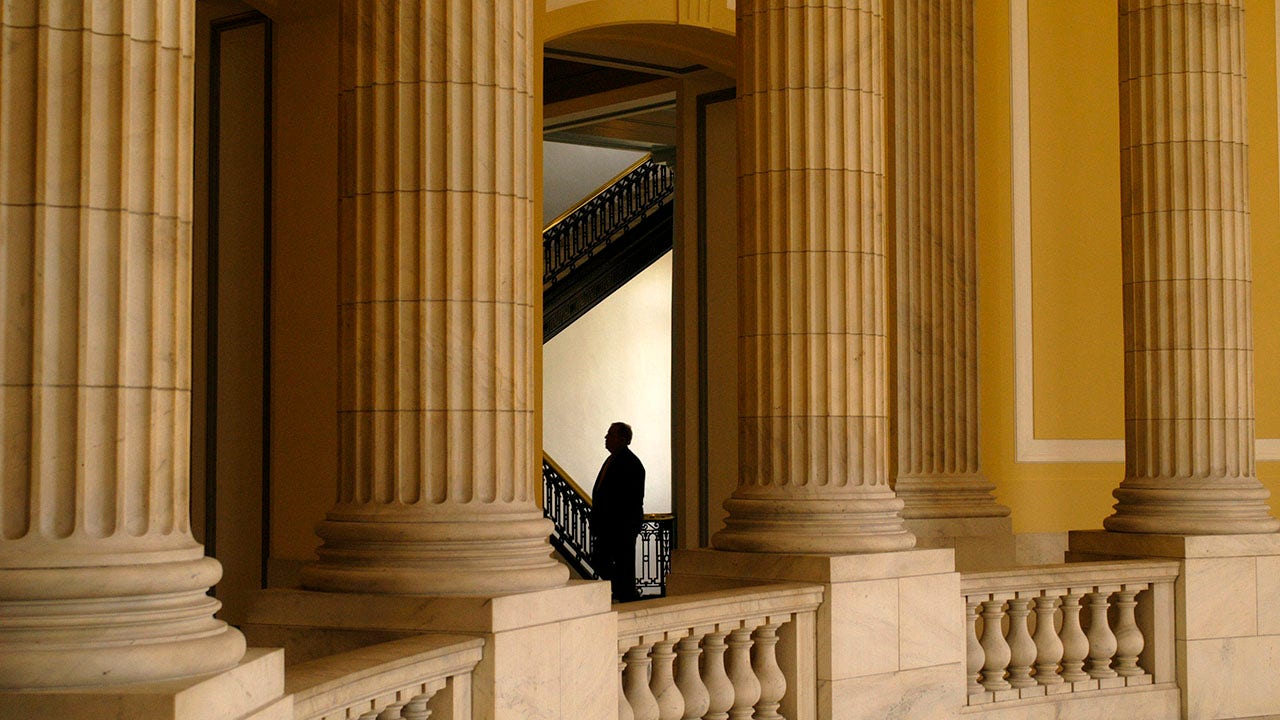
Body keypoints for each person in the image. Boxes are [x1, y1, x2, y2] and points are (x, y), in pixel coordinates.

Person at [590, 422, 645, 602]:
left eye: (610, 434)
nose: (606, 438)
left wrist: (621, 524)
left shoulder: (631, 463)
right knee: (602, 559)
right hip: (609, 526)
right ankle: (623, 590)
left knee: (620, 563)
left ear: (622, 439)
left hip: (621, 526)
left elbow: (629, 499)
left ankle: (626, 593)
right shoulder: (612, 459)